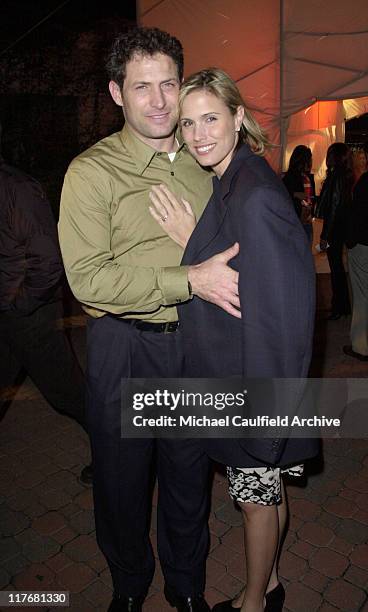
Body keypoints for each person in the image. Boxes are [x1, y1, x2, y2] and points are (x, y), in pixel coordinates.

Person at [58, 28, 241, 612]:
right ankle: (129, 586)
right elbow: (88, 280)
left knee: (189, 477)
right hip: (124, 347)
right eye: (143, 87)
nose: (161, 102)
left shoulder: (204, 161)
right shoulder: (91, 174)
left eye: (169, 84)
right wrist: (187, 279)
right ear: (117, 93)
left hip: (192, 343)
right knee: (121, 483)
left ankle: (186, 586)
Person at [149, 68, 318, 612]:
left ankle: (253, 602)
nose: (198, 134)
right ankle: (269, 584)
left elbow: (282, 316)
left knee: (254, 501)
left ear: (239, 118)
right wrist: (192, 239)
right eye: (188, 122)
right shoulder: (235, 178)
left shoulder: (254, 195)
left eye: (211, 119)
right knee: (268, 492)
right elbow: (238, 265)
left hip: (252, 384)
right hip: (243, 376)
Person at [0, 127, 91, 484]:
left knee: (68, 394)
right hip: (9, 313)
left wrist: (20, 304)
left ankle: (114, 455)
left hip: (30, 316)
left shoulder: (16, 189)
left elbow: (49, 261)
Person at [316, 142, 353, 320]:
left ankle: (338, 307)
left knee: (336, 268)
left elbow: (333, 208)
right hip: (341, 228)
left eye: (330, 154)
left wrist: (325, 235)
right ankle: (342, 306)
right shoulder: (344, 175)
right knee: (338, 268)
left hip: (335, 230)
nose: (327, 157)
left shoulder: (336, 176)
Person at [343, 139, 368, 361]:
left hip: (364, 245)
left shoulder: (365, 182)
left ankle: (360, 346)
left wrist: (350, 241)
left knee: (363, 296)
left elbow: (356, 217)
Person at [282, 145, 315, 244]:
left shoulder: (308, 177)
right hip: (295, 222)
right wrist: (296, 194)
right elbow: (284, 197)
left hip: (306, 221)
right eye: (308, 159)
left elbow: (311, 197)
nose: (310, 162)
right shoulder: (289, 177)